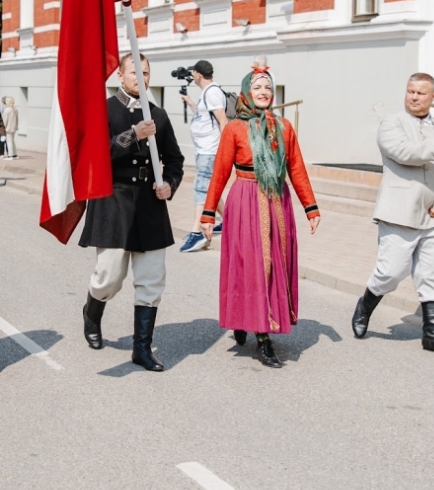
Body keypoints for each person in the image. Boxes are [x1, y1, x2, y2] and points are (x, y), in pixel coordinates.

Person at [199, 63, 321, 367]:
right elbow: (219, 174)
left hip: (278, 201)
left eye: (268, 87)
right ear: (245, 93)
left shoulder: (284, 127)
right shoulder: (235, 128)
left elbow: (296, 169)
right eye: (257, 87)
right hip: (246, 199)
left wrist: (311, 207)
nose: (264, 92)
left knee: (274, 262)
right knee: (253, 263)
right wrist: (208, 214)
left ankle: (254, 322)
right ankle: (262, 337)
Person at [79, 53, 184, 372]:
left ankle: (141, 348)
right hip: (114, 201)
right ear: (120, 76)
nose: (141, 77)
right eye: (135, 72)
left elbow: (175, 160)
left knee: (152, 279)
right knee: (109, 276)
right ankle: (92, 312)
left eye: (146, 72)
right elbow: (94, 155)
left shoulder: (159, 115)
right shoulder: (105, 110)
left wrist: (169, 183)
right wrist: (133, 136)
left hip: (150, 205)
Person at [350, 72, 434, 357]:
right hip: (399, 213)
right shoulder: (392, 123)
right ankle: (365, 305)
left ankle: (432, 336)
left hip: (433, 216)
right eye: (410, 91)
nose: (414, 97)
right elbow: (404, 152)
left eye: (421, 93)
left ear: (433, 97)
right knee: (391, 271)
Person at [178, 59, 230, 254]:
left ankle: (197, 233)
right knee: (210, 191)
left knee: (201, 189)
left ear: (198, 74)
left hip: (210, 151)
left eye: (194, 73)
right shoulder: (207, 94)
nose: (192, 75)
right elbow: (204, 119)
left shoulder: (213, 93)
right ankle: (230, 221)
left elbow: (223, 121)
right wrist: (191, 102)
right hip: (205, 151)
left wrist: (224, 151)